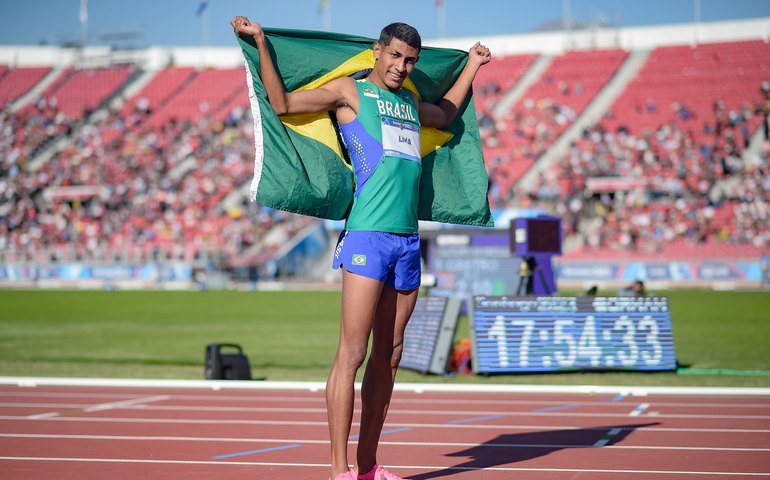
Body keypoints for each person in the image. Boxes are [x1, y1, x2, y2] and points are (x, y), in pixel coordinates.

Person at [231, 16, 491, 480]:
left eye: (410, 60)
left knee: (389, 355)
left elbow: (448, 115)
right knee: (351, 354)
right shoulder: (351, 93)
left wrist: (471, 65)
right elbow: (284, 103)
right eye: (395, 56)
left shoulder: (410, 99)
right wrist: (263, 43)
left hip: (407, 241)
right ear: (377, 51)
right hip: (368, 236)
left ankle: (369, 466)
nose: (402, 66)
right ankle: (339, 469)